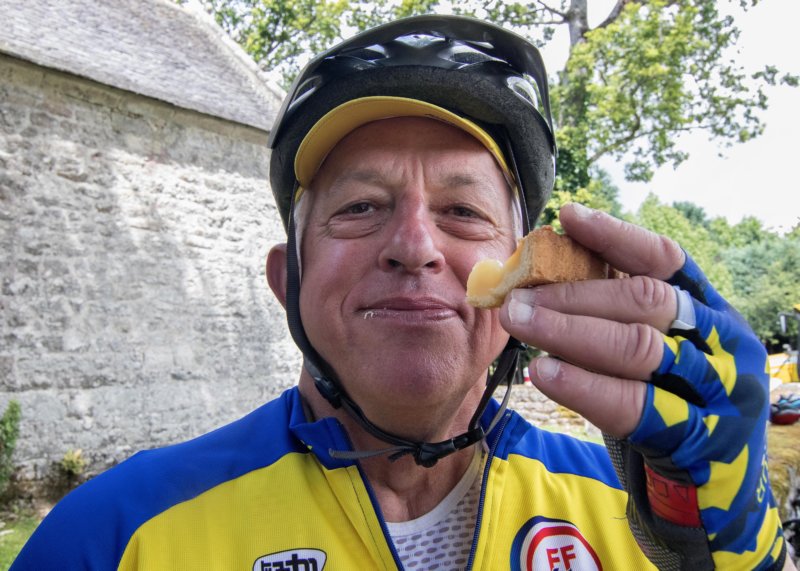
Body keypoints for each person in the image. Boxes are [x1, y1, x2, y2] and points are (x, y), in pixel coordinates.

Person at [12, 15, 794, 570]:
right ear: (287, 281)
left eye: (463, 210)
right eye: (360, 207)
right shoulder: (110, 539)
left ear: (531, 276)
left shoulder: (645, 518)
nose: (415, 246)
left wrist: (733, 554)